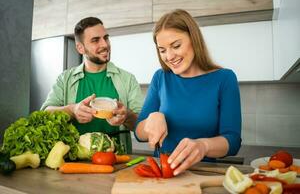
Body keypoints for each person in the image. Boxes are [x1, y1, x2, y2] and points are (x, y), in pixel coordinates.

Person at [134, 9, 241, 175]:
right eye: (162, 50)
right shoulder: (160, 78)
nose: (169, 56)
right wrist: (151, 119)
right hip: (162, 174)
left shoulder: (224, 78)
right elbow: (139, 133)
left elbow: (233, 141)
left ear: (194, 39)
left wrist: (203, 146)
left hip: (202, 173)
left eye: (176, 46)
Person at [41, 17, 144, 154]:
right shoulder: (64, 79)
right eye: (96, 40)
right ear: (80, 48)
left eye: (105, 38)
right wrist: (72, 110)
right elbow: (45, 114)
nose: (105, 44)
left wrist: (127, 116)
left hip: (117, 161)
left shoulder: (127, 79)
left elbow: (142, 124)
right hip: (74, 161)